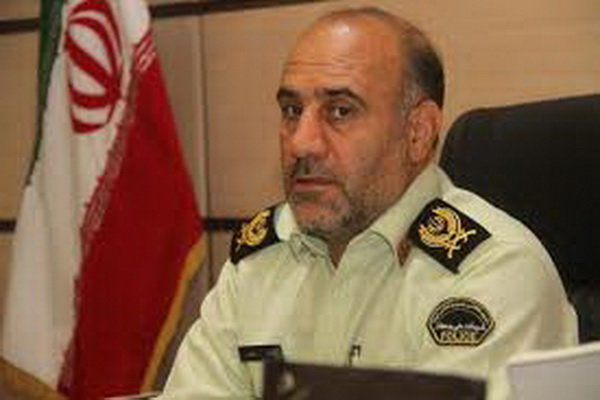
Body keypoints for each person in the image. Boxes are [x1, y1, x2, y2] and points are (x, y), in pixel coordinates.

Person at [159, 7, 577, 400]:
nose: (301, 143)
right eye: (292, 110)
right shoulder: (260, 259)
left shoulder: (492, 271)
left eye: (340, 111)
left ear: (417, 132)